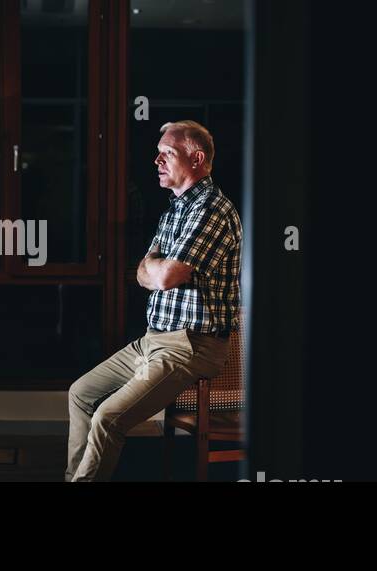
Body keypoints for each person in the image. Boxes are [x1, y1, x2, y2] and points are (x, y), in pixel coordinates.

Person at [65, 120, 242, 482]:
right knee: (80, 393)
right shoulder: (174, 210)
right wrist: (156, 269)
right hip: (153, 339)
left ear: (197, 158)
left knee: (108, 417)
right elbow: (143, 273)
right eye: (158, 152)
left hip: (190, 346)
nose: (157, 160)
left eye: (168, 153)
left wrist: (157, 269)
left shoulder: (212, 210)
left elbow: (161, 276)